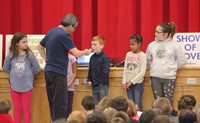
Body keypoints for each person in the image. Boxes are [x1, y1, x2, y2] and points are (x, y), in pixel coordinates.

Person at [37, 13, 91, 122]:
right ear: (70, 25)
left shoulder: (51, 31)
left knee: (52, 102)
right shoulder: (64, 35)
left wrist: (47, 60)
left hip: (48, 71)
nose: (74, 30)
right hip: (58, 73)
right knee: (60, 104)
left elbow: (39, 47)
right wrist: (85, 52)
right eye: (74, 27)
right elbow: (76, 53)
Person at [146, 22, 187, 115]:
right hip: (155, 76)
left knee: (168, 100)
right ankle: (159, 118)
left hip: (169, 77)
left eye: (158, 32)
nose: (155, 34)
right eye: (155, 31)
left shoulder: (174, 45)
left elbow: (182, 60)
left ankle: (169, 118)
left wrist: (172, 67)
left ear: (165, 34)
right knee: (157, 101)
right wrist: (154, 67)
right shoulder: (151, 45)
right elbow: (148, 59)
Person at [3, 32, 41, 123]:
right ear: (17, 43)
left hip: (27, 86)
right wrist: (13, 75)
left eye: (26, 42)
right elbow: (5, 68)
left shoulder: (29, 55)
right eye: (23, 42)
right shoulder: (11, 55)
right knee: (17, 108)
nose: (26, 44)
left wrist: (29, 75)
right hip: (14, 86)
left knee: (26, 108)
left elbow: (37, 68)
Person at [122, 34, 147, 111]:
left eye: (133, 44)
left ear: (139, 44)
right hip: (128, 84)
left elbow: (142, 72)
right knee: (130, 103)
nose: (131, 46)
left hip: (137, 84)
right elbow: (125, 69)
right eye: (130, 44)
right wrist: (124, 81)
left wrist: (132, 82)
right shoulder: (128, 54)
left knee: (137, 103)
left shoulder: (143, 55)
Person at [87, 35, 110, 104]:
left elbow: (105, 72)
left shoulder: (104, 58)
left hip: (102, 85)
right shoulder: (92, 57)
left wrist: (100, 83)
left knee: (103, 104)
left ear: (101, 46)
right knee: (95, 104)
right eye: (92, 44)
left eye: (95, 44)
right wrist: (89, 79)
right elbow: (90, 70)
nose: (92, 46)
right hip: (94, 85)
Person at [66, 53, 77, 119]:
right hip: (60, 87)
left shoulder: (72, 58)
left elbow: (75, 72)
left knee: (69, 108)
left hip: (70, 87)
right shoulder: (58, 57)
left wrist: (70, 83)